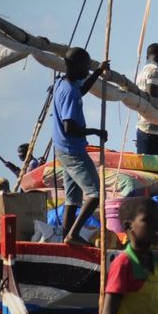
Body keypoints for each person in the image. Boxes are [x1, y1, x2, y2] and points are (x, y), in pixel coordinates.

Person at [53, 47, 109, 246]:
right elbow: (69, 127)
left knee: (72, 199)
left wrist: (98, 72)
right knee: (96, 194)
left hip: (62, 150)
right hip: (73, 150)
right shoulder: (69, 92)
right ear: (76, 66)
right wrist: (95, 131)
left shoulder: (63, 83)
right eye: (86, 67)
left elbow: (82, 89)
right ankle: (72, 235)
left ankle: (65, 239)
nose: (87, 70)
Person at [132, 42, 158, 155]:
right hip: (152, 131)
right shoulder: (155, 71)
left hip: (143, 128)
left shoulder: (142, 73)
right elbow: (152, 101)